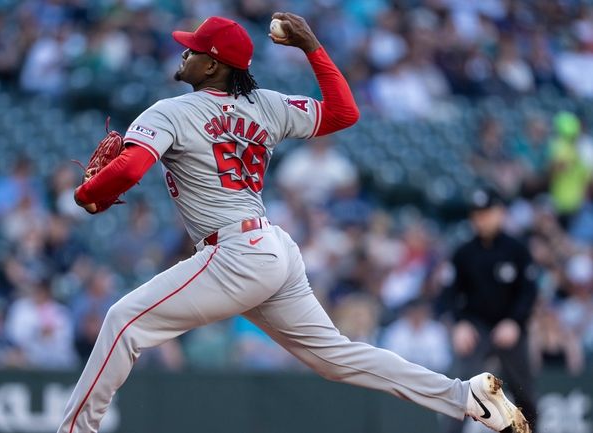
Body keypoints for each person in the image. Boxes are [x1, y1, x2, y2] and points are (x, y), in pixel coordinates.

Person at [59, 13, 530, 433]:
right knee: (335, 357)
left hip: (234, 253)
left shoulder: (172, 110)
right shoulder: (267, 105)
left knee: (123, 321)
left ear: (211, 66)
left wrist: (87, 195)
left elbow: (131, 168)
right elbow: (345, 111)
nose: (185, 51)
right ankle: (464, 397)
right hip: (272, 249)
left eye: (194, 49)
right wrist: (312, 47)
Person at [440, 188, 538, 433]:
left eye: (486, 213)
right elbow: (451, 293)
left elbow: (529, 291)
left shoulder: (517, 249)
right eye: (477, 214)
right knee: (460, 391)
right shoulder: (463, 253)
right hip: (476, 327)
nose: (481, 219)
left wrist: (515, 321)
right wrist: (460, 323)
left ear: (500, 213)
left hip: (509, 326)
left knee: (523, 392)